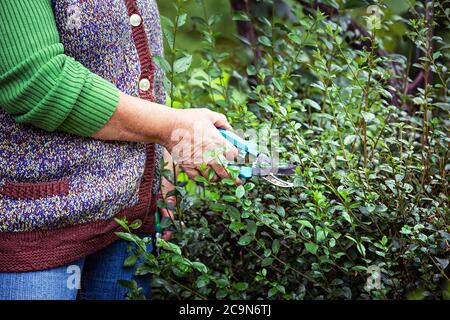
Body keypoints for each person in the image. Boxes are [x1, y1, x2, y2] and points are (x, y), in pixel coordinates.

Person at [0, 0, 237, 300]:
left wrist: (157, 156)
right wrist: (172, 128)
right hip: (37, 228)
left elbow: (122, 58)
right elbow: (37, 82)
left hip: (126, 221)